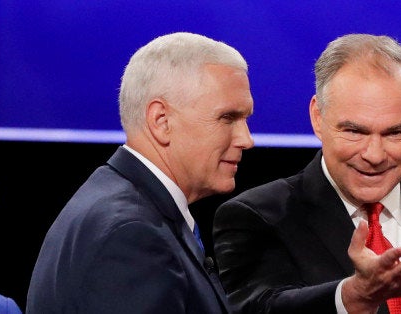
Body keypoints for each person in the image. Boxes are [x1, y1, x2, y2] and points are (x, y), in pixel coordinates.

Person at [213, 34, 401, 314]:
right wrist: (350, 298)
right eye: (355, 131)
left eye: (395, 133)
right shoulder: (258, 218)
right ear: (318, 117)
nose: (374, 155)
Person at [26, 31, 254, 313]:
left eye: (245, 119)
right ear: (161, 121)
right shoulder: (131, 234)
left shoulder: (120, 203)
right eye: (228, 118)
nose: (246, 139)